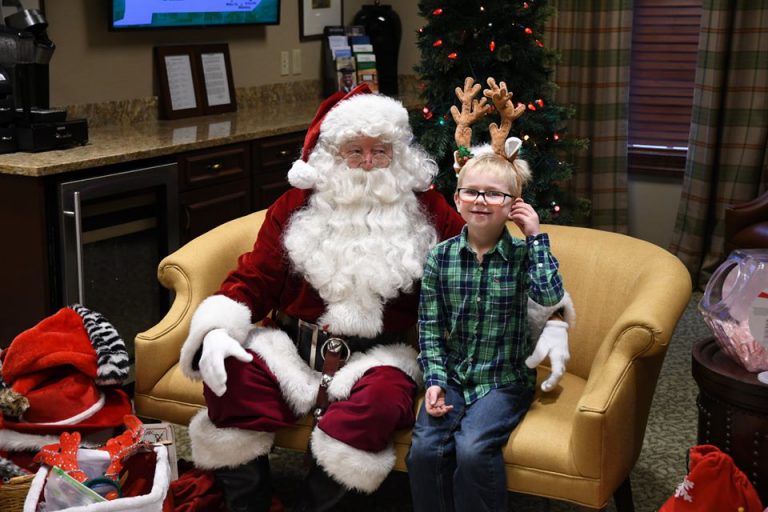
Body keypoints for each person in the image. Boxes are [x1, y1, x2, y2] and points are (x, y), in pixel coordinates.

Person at [178, 83, 572, 512]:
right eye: (354, 151)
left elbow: (485, 264)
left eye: (380, 151)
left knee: (381, 405)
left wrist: (550, 318)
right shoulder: (294, 206)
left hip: (381, 356)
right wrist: (218, 329)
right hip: (291, 348)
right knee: (233, 375)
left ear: (398, 155)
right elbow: (256, 276)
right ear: (331, 156)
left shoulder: (429, 208)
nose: (368, 163)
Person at [406, 77, 571, 512]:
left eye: (494, 194)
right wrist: (436, 379)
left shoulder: (521, 255)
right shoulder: (440, 258)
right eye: (471, 192)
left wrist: (535, 237)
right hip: (455, 375)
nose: (481, 201)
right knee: (424, 449)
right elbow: (429, 328)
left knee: (475, 448)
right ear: (457, 198)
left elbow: (551, 297)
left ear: (512, 203)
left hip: (503, 380)